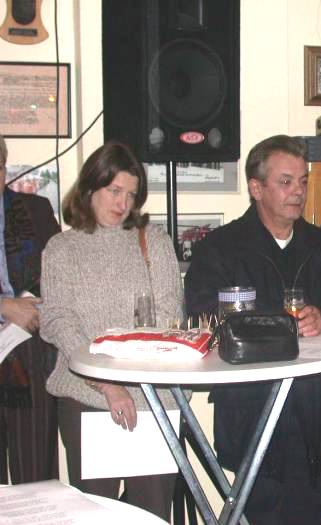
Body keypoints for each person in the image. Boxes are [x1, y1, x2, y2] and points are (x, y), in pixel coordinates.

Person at [185, 135, 321, 525]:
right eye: (286, 182)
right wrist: (279, 326)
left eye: (302, 181)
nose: (298, 191)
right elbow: (202, 315)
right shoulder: (219, 248)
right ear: (256, 188)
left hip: (314, 413)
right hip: (250, 410)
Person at [39, 142, 183, 521]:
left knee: (153, 515)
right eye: (114, 191)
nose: (123, 203)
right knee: (96, 515)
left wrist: (130, 380)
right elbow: (58, 321)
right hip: (86, 398)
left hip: (151, 399)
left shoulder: (153, 241)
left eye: (131, 195)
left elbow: (168, 316)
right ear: (90, 188)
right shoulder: (62, 249)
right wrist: (107, 384)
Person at [0, 134, 60, 484]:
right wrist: (5, 306)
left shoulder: (35, 211)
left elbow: (58, 277)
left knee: (36, 482)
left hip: (29, 354)